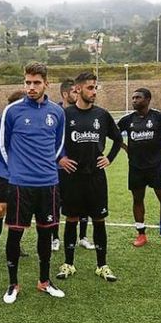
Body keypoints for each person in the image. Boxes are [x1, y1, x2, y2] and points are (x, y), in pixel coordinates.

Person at [0, 62, 66, 303]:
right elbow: (1, 146)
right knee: (15, 235)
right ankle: (12, 283)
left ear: (46, 83)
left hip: (48, 184)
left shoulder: (57, 112)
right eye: (28, 82)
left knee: (45, 234)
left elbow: (58, 145)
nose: (31, 87)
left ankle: (44, 281)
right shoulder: (13, 111)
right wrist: (14, 172)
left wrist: (47, 166)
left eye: (36, 83)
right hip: (20, 185)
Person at [56, 72, 122, 282]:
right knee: (72, 219)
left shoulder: (102, 115)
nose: (94, 92)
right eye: (90, 88)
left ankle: (102, 265)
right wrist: (60, 159)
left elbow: (118, 138)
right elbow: (51, 140)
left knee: (99, 219)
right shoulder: (65, 115)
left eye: (96, 88)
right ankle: (68, 264)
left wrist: (109, 158)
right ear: (78, 89)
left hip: (96, 177)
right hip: (72, 177)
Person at [117, 87, 161, 251]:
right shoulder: (127, 120)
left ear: (147, 99)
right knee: (137, 200)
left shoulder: (159, 116)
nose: (134, 100)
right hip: (136, 167)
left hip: (157, 166)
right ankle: (141, 234)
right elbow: (113, 133)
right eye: (133, 98)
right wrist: (126, 148)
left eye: (138, 98)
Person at [0, 90, 26, 266]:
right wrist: (2, 171)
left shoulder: (25, 124)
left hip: (23, 176)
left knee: (18, 212)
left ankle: (16, 245)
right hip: (5, 176)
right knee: (1, 210)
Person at [56, 79, 92, 251]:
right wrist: (58, 159)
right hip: (57, 168)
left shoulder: (81, 113)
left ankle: (83, 237)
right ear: (65, 94)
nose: (77, 94)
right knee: (55, 203)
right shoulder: (55, 113)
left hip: (78, 168)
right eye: (74, 92)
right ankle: (55, 238)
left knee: (84, 202)